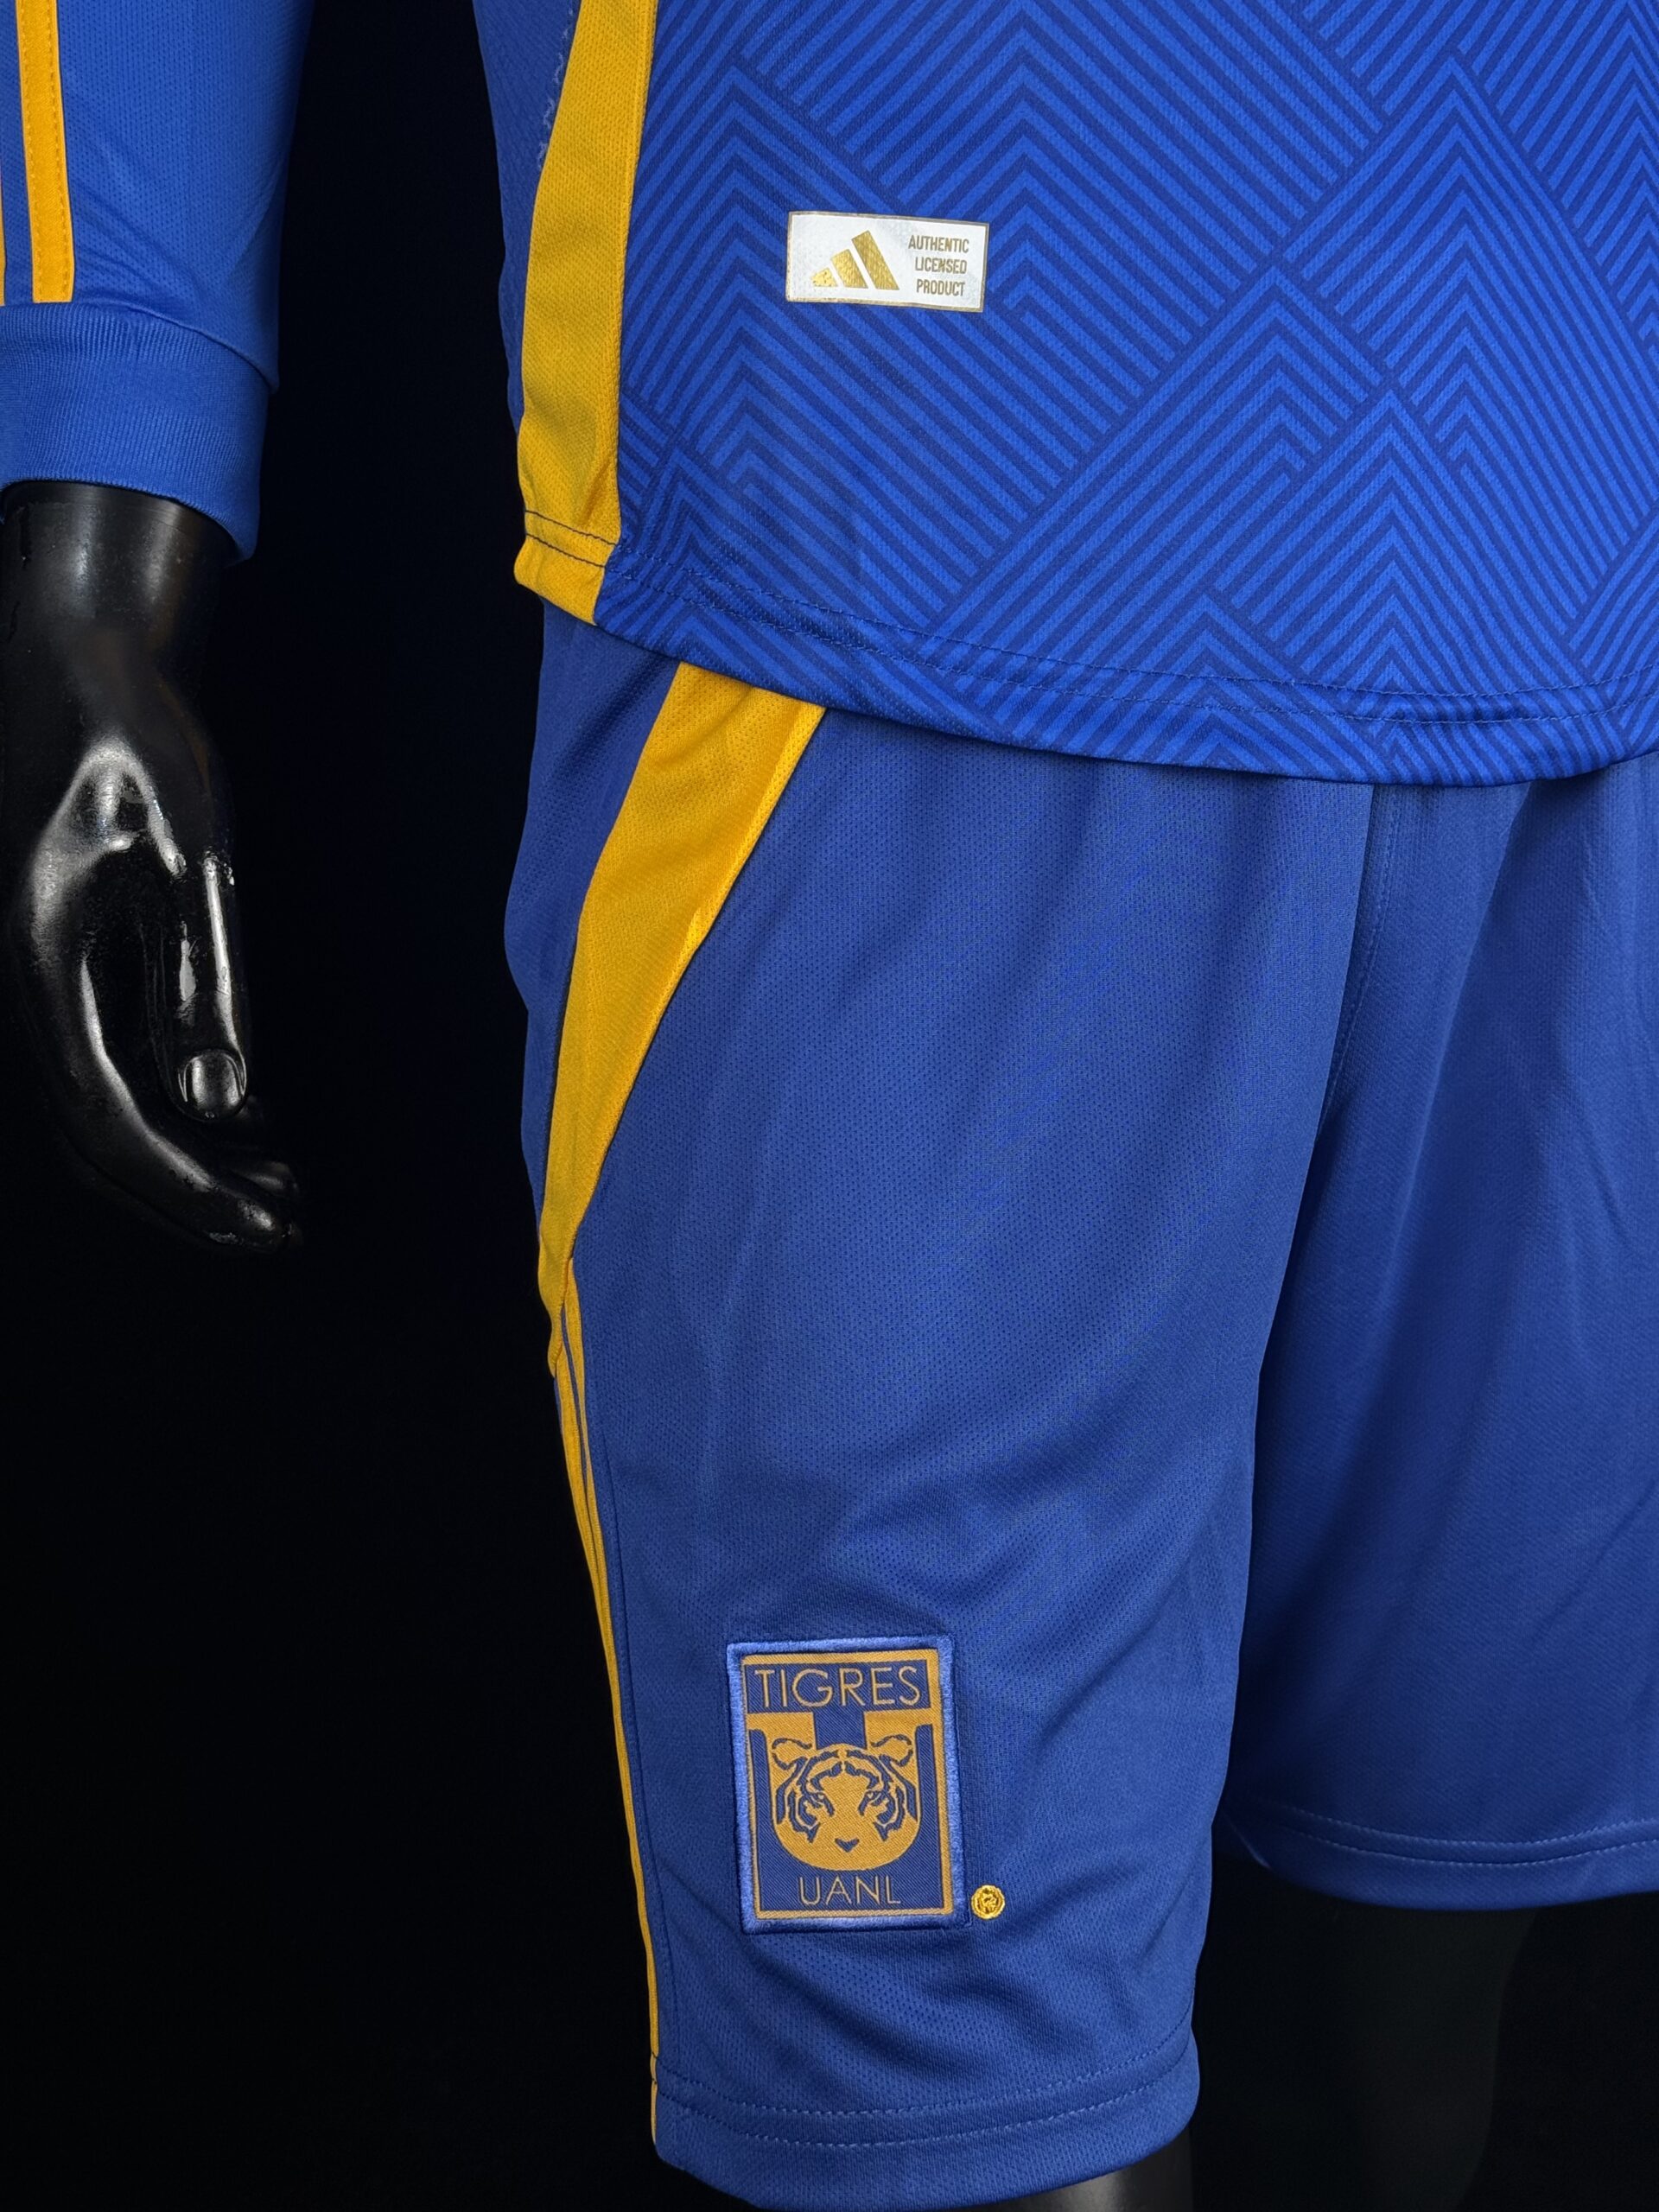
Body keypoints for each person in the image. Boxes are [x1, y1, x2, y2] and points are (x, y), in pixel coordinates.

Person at [3, 8, 1655, 2209]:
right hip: (875, 594)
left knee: (1404, 2048)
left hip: (1590, 596)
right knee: (972, 2119)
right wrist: (108, 464)